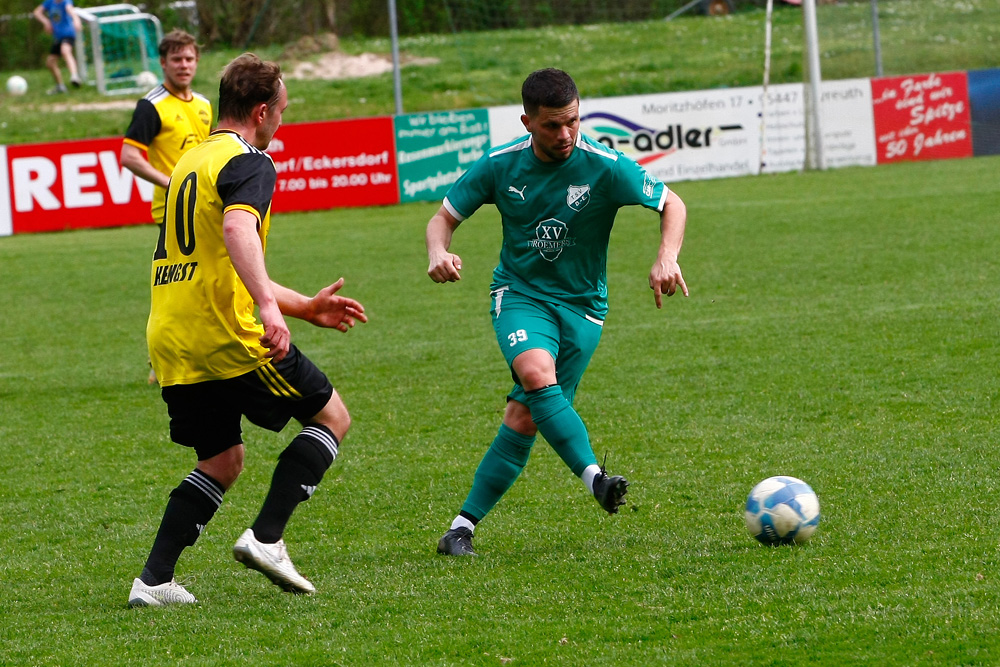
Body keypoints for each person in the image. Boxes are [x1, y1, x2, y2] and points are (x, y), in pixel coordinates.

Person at [128, 53, 367, 607]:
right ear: (262, 111)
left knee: (221, 461)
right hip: (228, 336)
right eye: (281, 110)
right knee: (332, 417)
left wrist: (303, 305)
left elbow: (222, 259)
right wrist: (268, 307)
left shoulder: (191, 160)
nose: (282, 120)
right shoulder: (250, 160)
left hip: (172, 336)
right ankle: (267, 539)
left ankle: (154, 581)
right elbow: (239, 229)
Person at [426, 68, 688, 556]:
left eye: (572, 121)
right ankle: (595, 479)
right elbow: (443, 219)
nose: (565, 134)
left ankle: (461, 528)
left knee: (525, 416)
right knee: (534, 372)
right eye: (552, 125)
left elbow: (672, 203)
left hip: (585, 308)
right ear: (527, 122)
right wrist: (437, 252)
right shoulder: (500, 166)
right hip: (520, 294)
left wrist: (666, 257)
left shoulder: (605, 165)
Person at [121, 29, 212, 385]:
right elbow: (129, 156)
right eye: (176, 59)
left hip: (206, 208)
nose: (184, 65)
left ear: (197, 61)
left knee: (211, 281)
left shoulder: (204, 105)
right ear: (163, 63)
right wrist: (172, 182)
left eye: (189, 58)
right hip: (173, 213)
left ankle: (201, 353)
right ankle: (160, 361)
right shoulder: (152, 105)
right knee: (178, 286)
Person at [32, 0, 82, 95]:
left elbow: (70, 9)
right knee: (50, 63)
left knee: (65, 51)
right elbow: (37, 12)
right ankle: (60, 86)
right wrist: (46, 22)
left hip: (68, 34)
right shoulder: (49, 2)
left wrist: (76, 19)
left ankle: (75, 76)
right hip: (58, 37)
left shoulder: (66, 2)